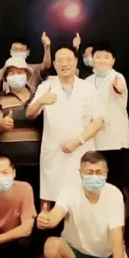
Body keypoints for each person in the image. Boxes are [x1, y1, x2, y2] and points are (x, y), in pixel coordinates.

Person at [37, 152, 126, 258]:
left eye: (99, 172)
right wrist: (46, 220)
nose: (94, 177)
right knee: (51, 246)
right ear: (80, 173)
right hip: (76, 255)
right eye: (89, 172)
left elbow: (117, 236)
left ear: (107, 172)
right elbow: (56, 215)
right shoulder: (69, 191)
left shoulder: (115, 194)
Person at [26, 45, 104, 203]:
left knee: (82, 196)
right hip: (55, 151)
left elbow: (98, 121)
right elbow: (30, 114)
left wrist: (78, 141)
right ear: (54, 64)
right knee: (51, 195)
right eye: (60, 60)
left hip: (81, 149)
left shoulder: (88, 88)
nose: (64, 64)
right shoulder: (46, 86)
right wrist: (40, 101)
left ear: (76, 62)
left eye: (68, 60)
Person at [0, 57, 43, 210]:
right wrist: (1, 124)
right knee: (10, 205)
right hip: (8, 166)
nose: (15, 76)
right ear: (5, 77)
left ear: (27, 75)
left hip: (36, 163)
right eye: (11, 73)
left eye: (19, 72)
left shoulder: (38, 97)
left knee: (33, 203)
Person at [85, 43, 129, 192]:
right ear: (92, 59)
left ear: (113, 60)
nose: (102, 60)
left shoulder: (117, 77)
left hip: (115, 140)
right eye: (98, 57)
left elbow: (120, 88)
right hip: (94, 139)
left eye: (106, 57)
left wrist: (119, 88)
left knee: (115, 182)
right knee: (97, 181)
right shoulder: (87, 81)